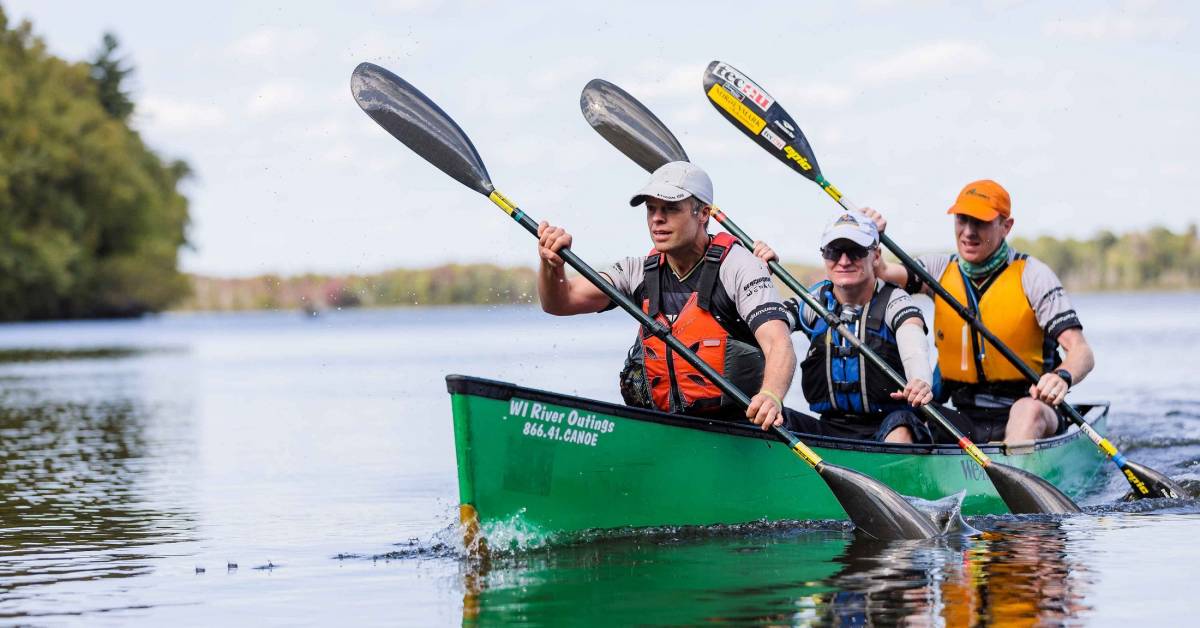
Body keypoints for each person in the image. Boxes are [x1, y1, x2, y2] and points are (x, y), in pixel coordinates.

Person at [536, 161, 800, 432]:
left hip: (738, 429)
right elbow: (560, 302)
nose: (657, 219)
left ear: (703, 214)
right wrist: (551, 265)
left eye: (671, 208)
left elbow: (778, 342)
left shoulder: (740, 267)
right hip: (665, 427)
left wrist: (770, 395)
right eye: (651, 209)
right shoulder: (636, 271)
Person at [865, 179, 1096, 443]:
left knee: (1027, 411)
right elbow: (882, 272)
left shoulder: (1033, 275)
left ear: (1006, 226)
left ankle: (1013, 465)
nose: (968, 232)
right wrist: (871, 237)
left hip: (1032, 406)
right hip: (965, 416)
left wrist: (1062, 377)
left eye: (980, 222)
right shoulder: (938, 269)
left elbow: (1082, 351)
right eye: (962, 220)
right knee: (901, 420)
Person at [754, 212, 941, 443]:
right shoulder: (813, 302)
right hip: (830, 426)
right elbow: (764, 325)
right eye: (834, 251)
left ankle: (892, 463)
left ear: (876, 256)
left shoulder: (896, 301)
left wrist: (919, 380)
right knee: (771, 418)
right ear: (824, 256)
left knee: (901, 427)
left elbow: (913, 341)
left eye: (855, 251)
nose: (843, 261)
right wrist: (759, 278)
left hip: (890, 425)